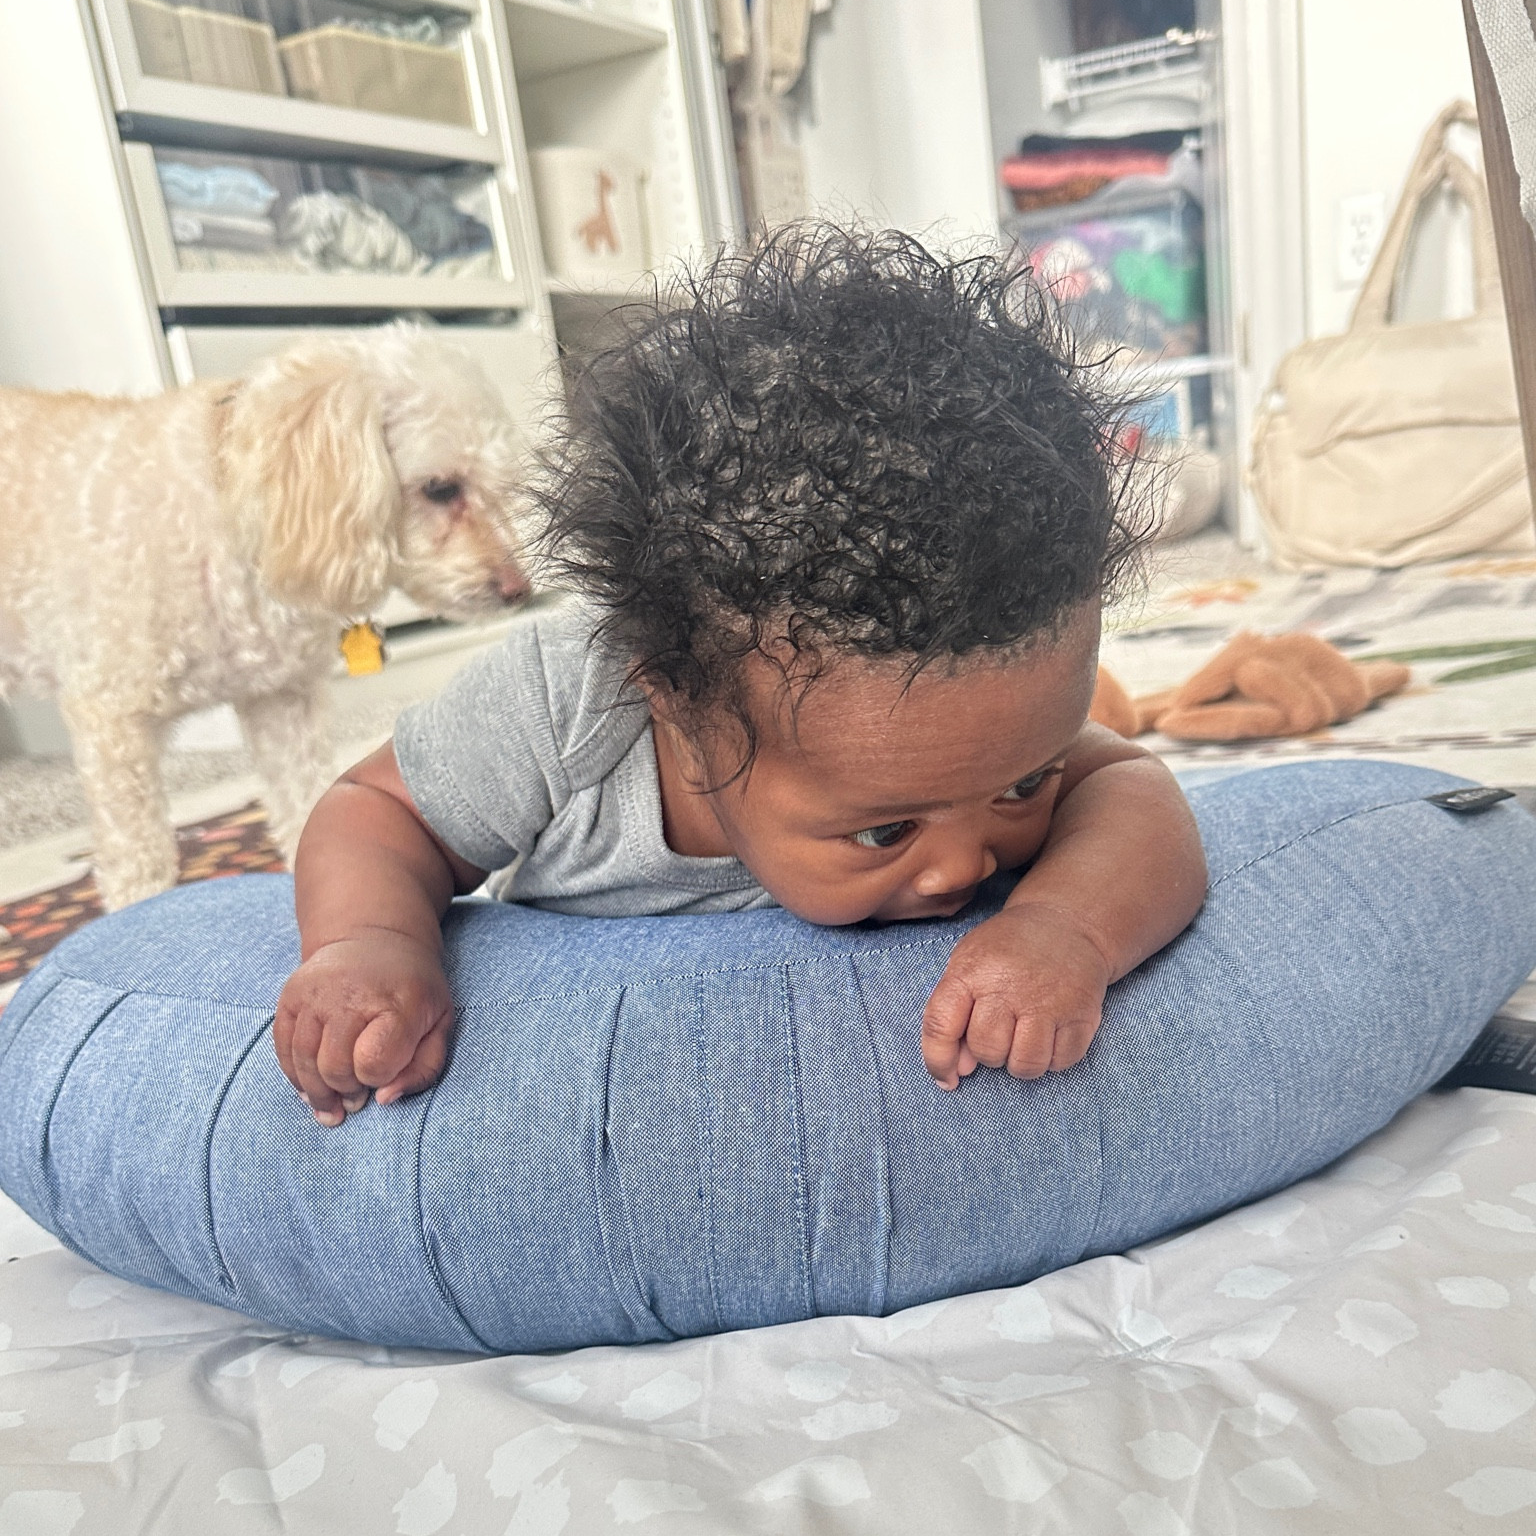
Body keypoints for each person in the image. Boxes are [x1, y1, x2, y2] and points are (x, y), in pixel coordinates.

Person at [275, 225, 1207, 1125]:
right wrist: (370, 943)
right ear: (678, 710)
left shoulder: (983, 727)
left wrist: (1068, 928)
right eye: (884, 830)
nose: (967, 864)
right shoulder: (565, 702)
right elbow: (377, 811)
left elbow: (1132, 790)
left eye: (1023, 785)